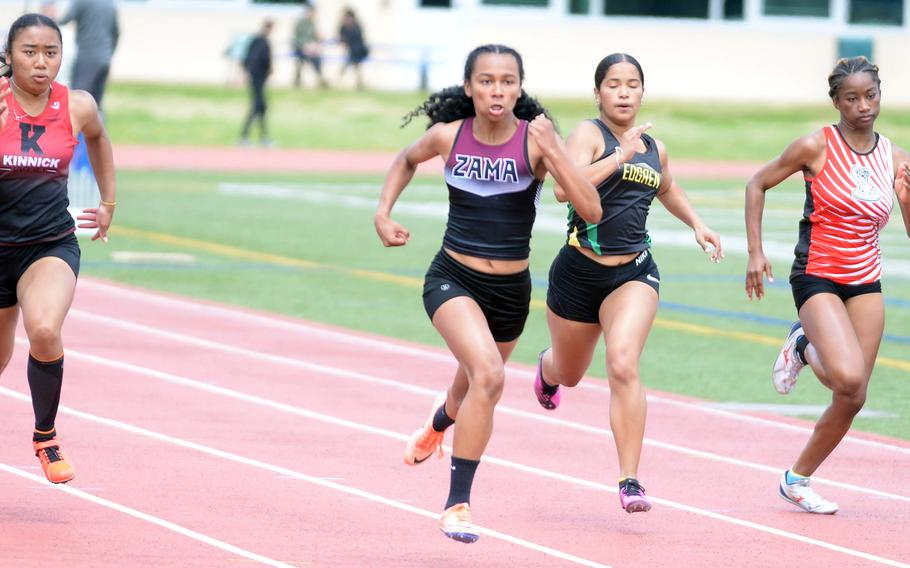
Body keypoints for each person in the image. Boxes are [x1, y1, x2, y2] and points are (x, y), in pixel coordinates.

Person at [374, 44, 601, 543]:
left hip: (510, 292)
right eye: (486, 81)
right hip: (452, 278)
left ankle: (438, 424)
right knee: (490, 376)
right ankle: (457, 504)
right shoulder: (447, 136)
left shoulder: (537, 142)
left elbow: (591, 210)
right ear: (470, 87)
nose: (496, 90)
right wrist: (383, 211)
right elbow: (405, 160)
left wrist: (558, 151)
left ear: (520, 89)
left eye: (506, 81)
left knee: (468, 392)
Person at [532, 53, 723, 514]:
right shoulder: (588, 135)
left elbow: (667, 187)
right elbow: (565, 188)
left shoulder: (655, 147)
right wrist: (620, 156)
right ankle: (549, 368)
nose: (623, 92)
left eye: (632, 84)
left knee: (622, 363)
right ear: (597, 92)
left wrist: (697, 223)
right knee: (571, 374)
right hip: (579, 273)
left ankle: (630, 480)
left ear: (642, 92)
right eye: (613, 84)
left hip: (634, 272)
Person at [745, 56, 910, 514]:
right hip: (816, 275)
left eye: (871, 96)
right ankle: (802, 345)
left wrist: (907, 199)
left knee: (854, 395)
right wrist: (756, 252)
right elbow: (756, 184)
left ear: (880, 95)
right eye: (852, 98)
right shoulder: (815, 147)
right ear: (836, 101)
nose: (863, 106)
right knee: (848, 374)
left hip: (865, 280)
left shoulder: (895, 158)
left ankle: (797, 479)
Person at [0, 13, 117, 484]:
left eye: (51, 52)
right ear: (9, 57)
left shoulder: (79, 105)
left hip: (47, 244)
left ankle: (45, 436)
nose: (41, 63)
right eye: (30, 52)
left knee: (45, 328)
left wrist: (108, 201)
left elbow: (100, 142)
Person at [56, 0, 118, 109]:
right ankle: (98, 125)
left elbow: (65, 20)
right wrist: (109, 55)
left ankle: (76, 126)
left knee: (78, 100)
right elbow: (116, 33)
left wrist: (42, 22)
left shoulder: (82, 2)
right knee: (96, 104)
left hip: (87, 57)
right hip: (104, 58)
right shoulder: (110, 3)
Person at [240, 20, 273, 146]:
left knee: (261, 108)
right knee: (257, 106)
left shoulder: (259, 42)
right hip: (257, 79)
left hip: (260, 79)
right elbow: (255, 59)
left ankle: (262, 137)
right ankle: (246, 136)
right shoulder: (260, 42)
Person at [292, 5, 328, 89]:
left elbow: (315, 36)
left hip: (311, 49)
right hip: (300, 48)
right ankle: (297, 81)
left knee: (316, 61)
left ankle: (321, 79)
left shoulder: (313, 23)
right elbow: (297, 37)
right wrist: (305, 45)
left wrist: (319, 39)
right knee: (300, 63)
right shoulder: (300, 23)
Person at [338, 7, 368, 90]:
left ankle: (358, 84)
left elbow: (357, 38)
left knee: (354, 67)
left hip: (357, 50)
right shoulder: (344, 26)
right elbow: (342, 37)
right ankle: (358, 84)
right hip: (352, 51)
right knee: (353, 67)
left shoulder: (356, 26)